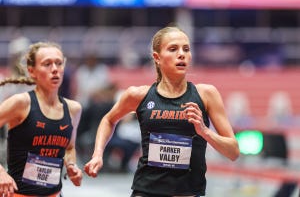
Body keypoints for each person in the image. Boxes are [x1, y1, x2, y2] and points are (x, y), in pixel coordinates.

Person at [84, 26, 240, 197]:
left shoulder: (206, 95)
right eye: (173, 49)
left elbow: (233, 152)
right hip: (146, 191)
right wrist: (97, 154)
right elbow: (108, 120)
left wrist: (204, 131)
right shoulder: (138, 95)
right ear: (157, 57)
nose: (181, 54)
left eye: (186, 49)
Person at [0, 41, 82, 197]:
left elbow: (69, 147)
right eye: (47, 64)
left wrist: (71, 165)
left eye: (59, 63)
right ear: (32, 71)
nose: (55, 69)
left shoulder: (73, 109)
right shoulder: (21, 103)